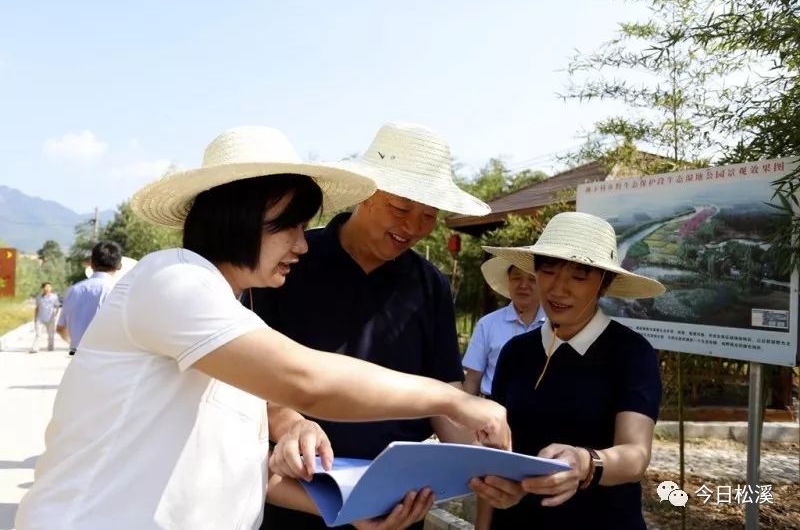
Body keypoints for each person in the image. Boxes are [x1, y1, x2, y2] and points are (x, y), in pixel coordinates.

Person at [15, 126, 510, 530]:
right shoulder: (172, 281)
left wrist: (350, 508)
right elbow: (306, 383)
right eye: (290, 228)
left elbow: (251, 470)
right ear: (243, 217)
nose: (301, 246)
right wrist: (455, 399)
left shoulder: (235, 320)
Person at [247, 122, 492, 530]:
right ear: (367, 193)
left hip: (396, 505)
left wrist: (484, 460)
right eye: (401, 208)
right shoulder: (291, 261)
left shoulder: (429, 284)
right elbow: (253, 374)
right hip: (296, 492)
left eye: (428, 215)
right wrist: (292, 424)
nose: (413, 227)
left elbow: (443, 394)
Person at [473, 211, 666, 529]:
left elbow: (634, 455)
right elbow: (494, 457)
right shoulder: (515, 353)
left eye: (579, 277)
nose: (559, 289)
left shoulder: (631, 353)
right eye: (548, 271)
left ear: (604, 284)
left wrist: (586, 463)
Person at [462, 258, 546, 397]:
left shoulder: (557, 325)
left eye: (532, 279)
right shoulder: (488, 324)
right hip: (491, 408)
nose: (523, 285)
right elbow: (472, 379)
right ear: (508, 281)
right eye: (517, 278)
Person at [56, 241, 123, 355]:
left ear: (91, 264)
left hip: (79, 356)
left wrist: (73, 344)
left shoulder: (74, 290)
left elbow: (61, 328)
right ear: (119, 266)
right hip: (109, 357)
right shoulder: (120, 291)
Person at [29, 282, 60, 353]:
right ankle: (35, 348)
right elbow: (37, 308)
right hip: (40, 318)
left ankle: (50, 347)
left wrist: (55, 314)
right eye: (46, 287)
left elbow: (57, 306)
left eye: (49, 287)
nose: (48, 289)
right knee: (38, 334)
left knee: (51, 334)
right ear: (43, 288)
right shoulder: (39, 297)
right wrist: (35, 318)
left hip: (50, 318)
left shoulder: (54, 296)